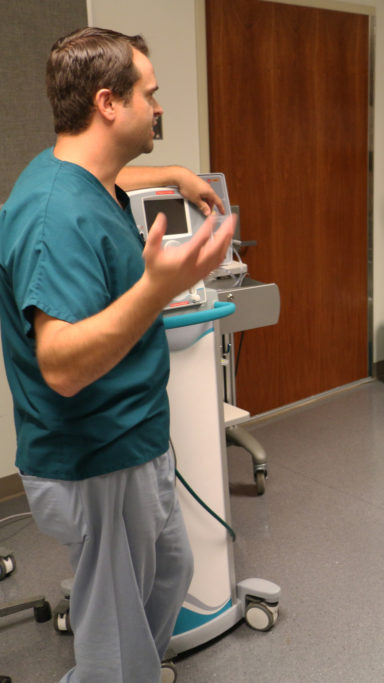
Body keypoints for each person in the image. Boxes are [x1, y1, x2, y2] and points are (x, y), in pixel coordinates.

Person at [0, 27, 236, 682]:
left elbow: (117, 172)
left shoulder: (84, 176)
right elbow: (62, 362)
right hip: (94, 456)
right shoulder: (56, 215)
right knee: (115, 630)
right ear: (109, 103)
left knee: (170, 570)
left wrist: (177, 176)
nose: (159, 107)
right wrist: (160, 286)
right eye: (150, 94)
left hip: (133, 440)